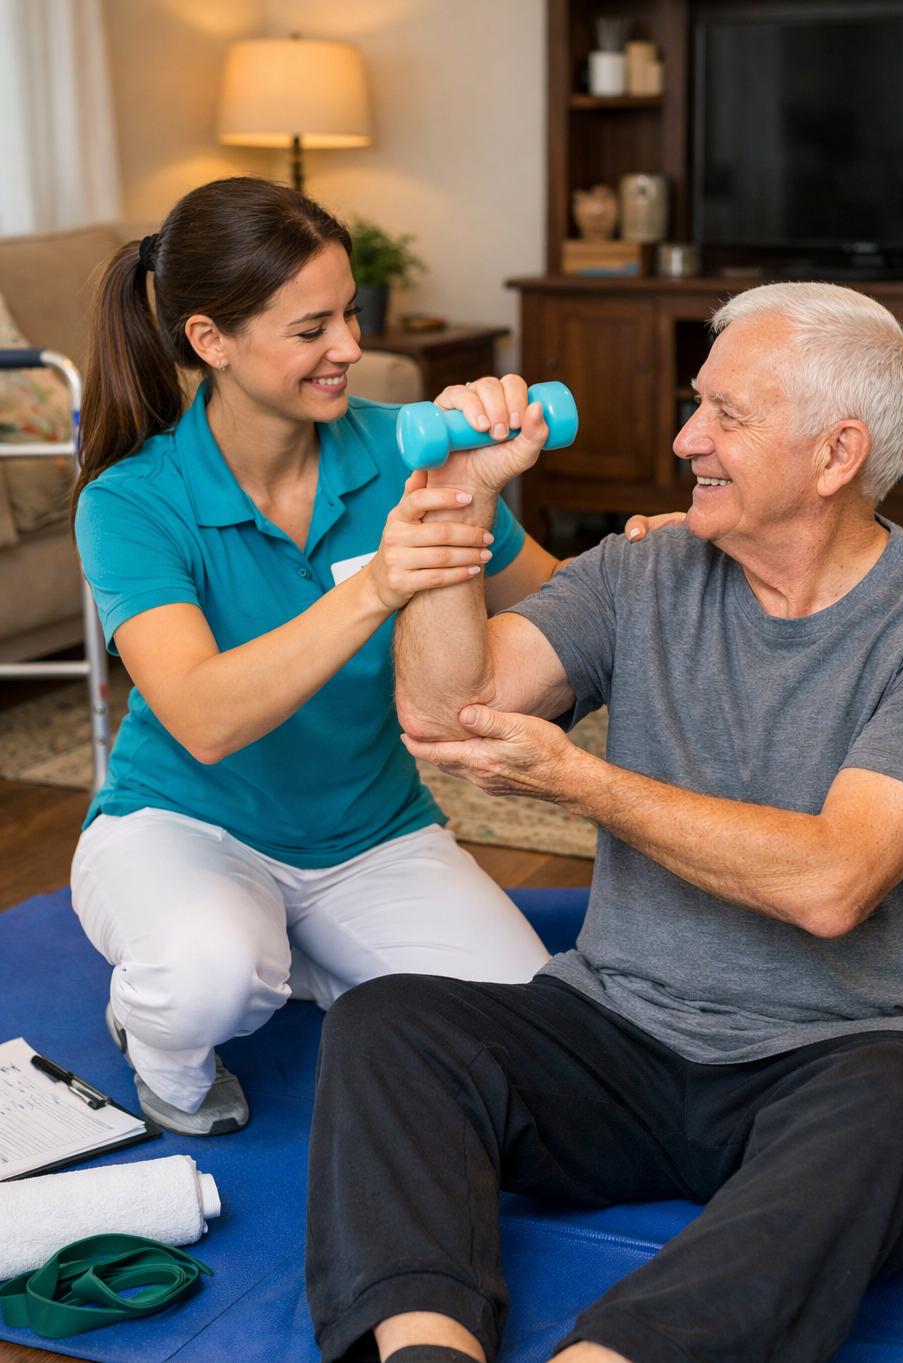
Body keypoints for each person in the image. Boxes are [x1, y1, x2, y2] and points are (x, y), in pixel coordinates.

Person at [305, 281, 903, 1363]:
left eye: (727, 414)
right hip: (626, 1031)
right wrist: (453, 505)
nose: (687, 438)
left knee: (902, 1111)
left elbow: (834, 881)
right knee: (389, 1024)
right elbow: (448, 713)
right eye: (696, 405)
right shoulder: (642, 568)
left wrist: (584, 783)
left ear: (836, 455)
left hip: (853, 1050)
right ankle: (423, 1350)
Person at [70, 176, 677, 1139]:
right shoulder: (132, 500)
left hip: (372, 833)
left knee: (521, 1025)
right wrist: (377, 585)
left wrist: (661, 558)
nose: (349, 347)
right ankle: (160, 1021)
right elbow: (201, 714)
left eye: (348, 314)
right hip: (184, 824)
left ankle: (295, 955)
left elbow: (562, 606)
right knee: (208, 981)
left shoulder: (408, 451)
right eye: (310, 329)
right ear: (208, 340)